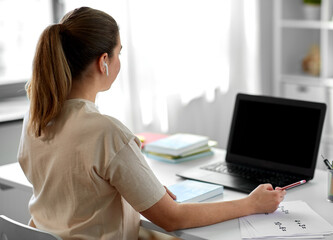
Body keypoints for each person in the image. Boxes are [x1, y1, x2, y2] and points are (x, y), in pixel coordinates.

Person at [18, 7, 286, 240]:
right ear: (104, 62)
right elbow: (173, 219)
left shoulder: (35, 120)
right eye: (118, 53)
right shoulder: (106, 132)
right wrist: (251, 204)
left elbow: (76, 192)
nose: (119, 61)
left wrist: (144, 190)